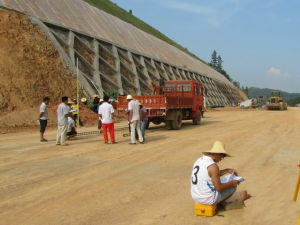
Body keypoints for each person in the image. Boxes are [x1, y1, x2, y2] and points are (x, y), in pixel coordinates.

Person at [191, 141, 250, 206]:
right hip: (207, 199)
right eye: (223, 156)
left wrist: (227, 170)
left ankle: (218, 199)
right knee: (233, 187)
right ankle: (219, 203)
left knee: (221, 181)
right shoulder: (213, 166)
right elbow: (219, 188)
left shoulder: (200, 160)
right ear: (218, 153)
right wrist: (233, 183)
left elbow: (209, 174)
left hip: (196, 196)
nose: (222, 158)